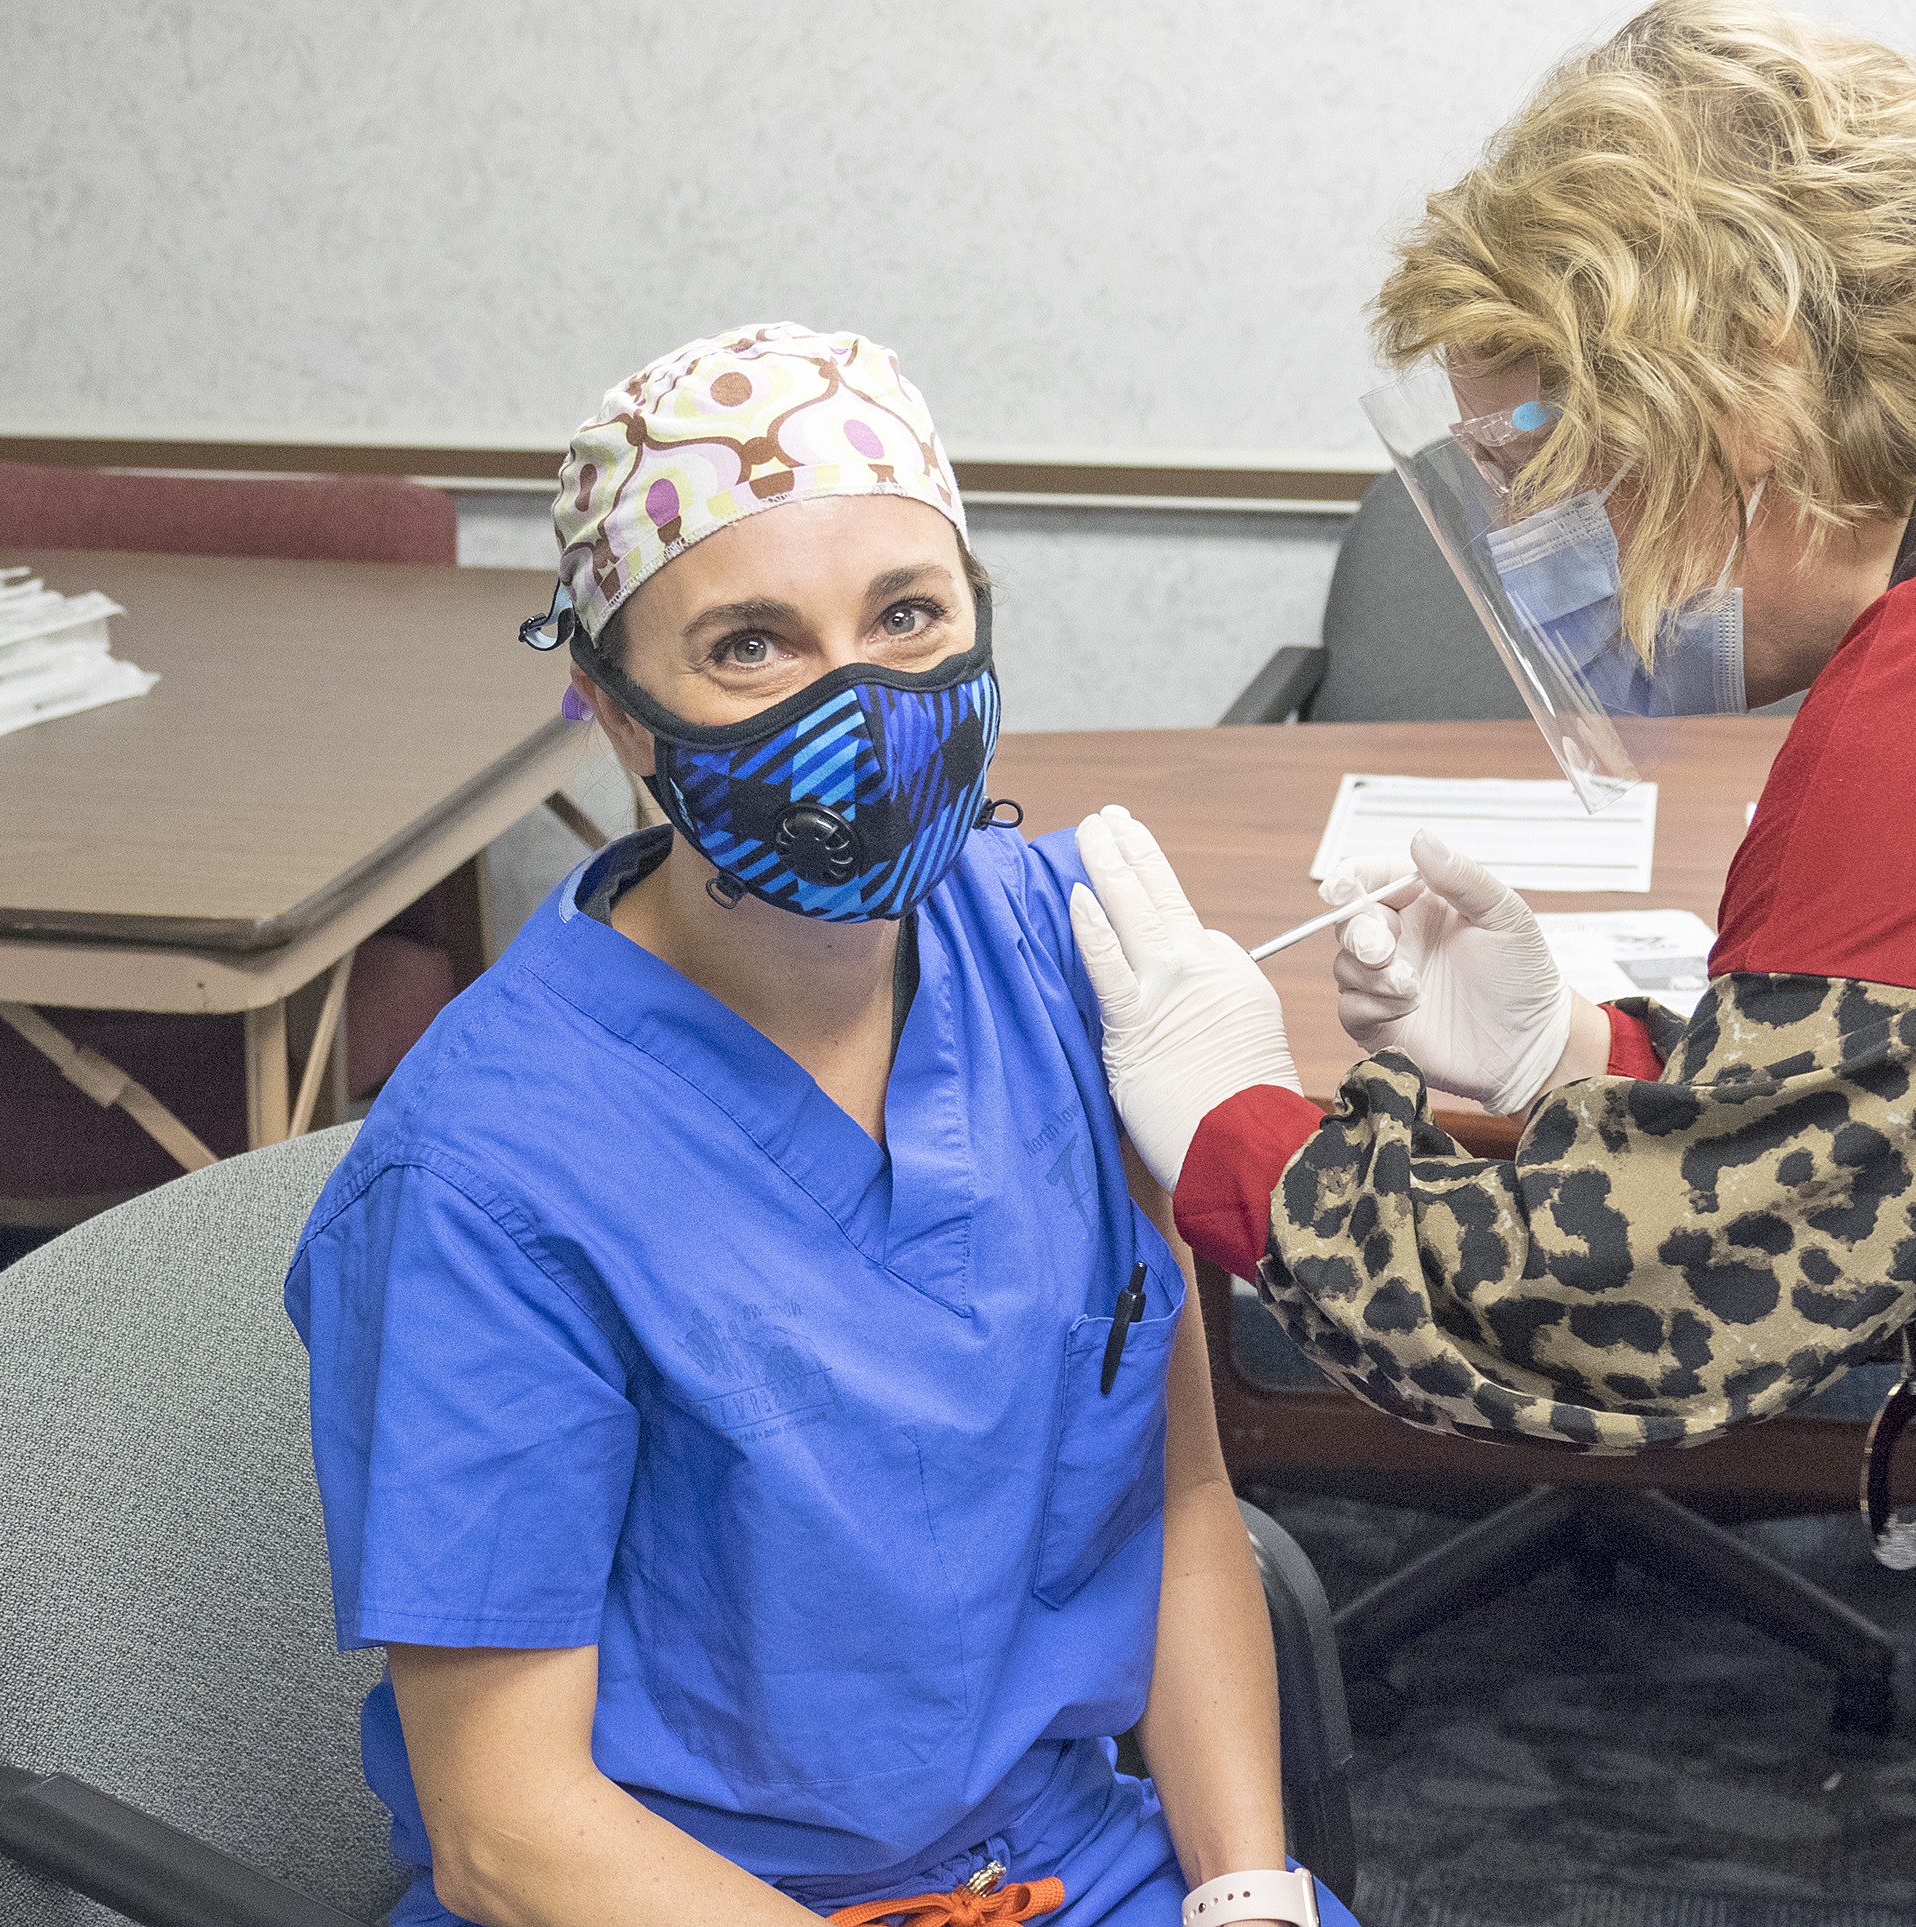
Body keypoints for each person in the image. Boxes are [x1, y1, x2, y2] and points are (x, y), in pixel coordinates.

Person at [1064, 8, 1916, 1925]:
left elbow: (1655, 1298)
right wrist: (1590, 1055)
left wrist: (1237, 1137)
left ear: (1739, 370)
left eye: (1535, 453)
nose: (1520, 536)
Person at [287, 325, 1354, 1927]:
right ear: (615, 707)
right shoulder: (490, 1172)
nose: (860, 702)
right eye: (751, 646)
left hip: (1066, 1864)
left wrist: (1250, 1891)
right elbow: (511, 1828)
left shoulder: (1063, 957)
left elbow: (1183, 1501)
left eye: (908, 616)